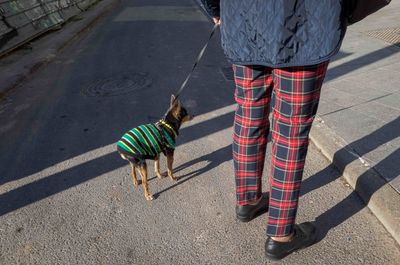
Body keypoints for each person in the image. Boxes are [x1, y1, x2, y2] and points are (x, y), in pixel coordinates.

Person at [203, 0, 348, 260]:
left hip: (244, 20)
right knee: (291, 129)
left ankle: (247, 202)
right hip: (307, 25)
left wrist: (216, 9)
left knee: (248, 113)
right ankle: (281, 235)